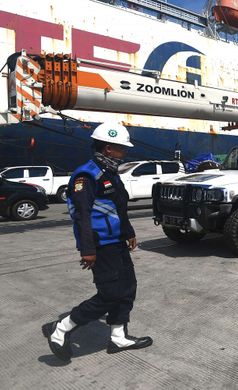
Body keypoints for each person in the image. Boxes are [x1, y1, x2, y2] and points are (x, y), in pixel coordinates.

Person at [42, 122, 152, 362]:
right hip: (100, 245)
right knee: (110, 294)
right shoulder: (86, 175)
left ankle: (118, 337)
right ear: (108, 148)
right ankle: (61, 329)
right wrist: (87, 249)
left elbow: (119, 207)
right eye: (121, 148)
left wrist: (129, 232)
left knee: (128, 287)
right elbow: (81, 215)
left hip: (117, 243)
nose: (125, 152)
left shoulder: (110, 173)